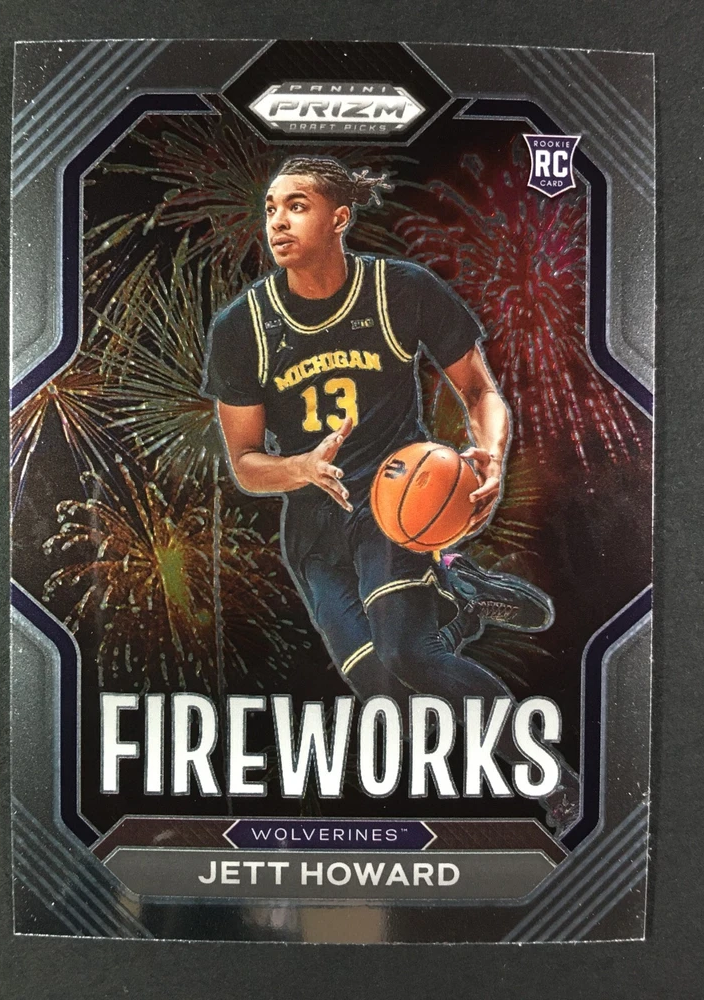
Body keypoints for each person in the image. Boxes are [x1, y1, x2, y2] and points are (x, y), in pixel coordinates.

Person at [202, 156, 577, 834]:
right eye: (271, 208)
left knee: (411, 657)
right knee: (386, 693)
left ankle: (549, 779)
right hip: (314, 529)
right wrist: (298, 468)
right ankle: (461, 602)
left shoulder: (400, 290)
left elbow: (480, 391)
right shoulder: (242, 327)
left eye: (297, 205)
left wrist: (490, 454)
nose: (278, 221)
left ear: (339, 218)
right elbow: (247, 465)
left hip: (393, 501)